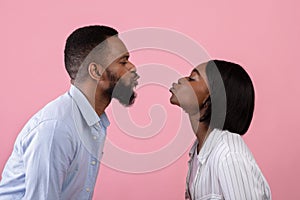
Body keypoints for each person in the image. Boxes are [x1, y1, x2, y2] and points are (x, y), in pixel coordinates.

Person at [0, 25, 139, 199]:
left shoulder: (95, 122)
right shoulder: (56, 128)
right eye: (123, 62)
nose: (132, 67)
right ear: (95, 71)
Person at [169, 60, 271, 200]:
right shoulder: (199, 152)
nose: (181, 79)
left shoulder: (228, 155)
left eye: (192, 79)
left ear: (212, 98)